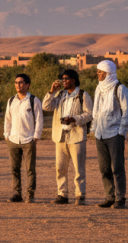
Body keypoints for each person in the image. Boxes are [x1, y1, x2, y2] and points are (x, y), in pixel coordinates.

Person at [42, 69, 93, 205]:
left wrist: (74, 119)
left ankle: (80, 195)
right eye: (62, 79)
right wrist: (51, 91)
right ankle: (62, 194)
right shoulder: (59, 95)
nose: (63, 81)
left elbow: (89, 114)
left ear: (73, 80)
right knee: (60, 167)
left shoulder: (83, 95)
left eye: (66, 79)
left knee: (79, 169)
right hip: (60, 136)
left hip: (76, 136)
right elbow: (46, 106)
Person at [92, 60, 128, 209]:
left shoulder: (120, 88)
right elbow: (96, 111)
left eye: (100, 72)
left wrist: (122, 132)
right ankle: (109, 197)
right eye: (98, 71)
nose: (97, 74)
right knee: (104, 168)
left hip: (115, 133)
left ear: (108, 73)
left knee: (117, 168)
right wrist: (95, 129)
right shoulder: (99, 88)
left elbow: (127, 111)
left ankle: (120, 199)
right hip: (100, 134)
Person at [4, 73, 43, 203]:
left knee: (30, 169)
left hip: (28, 140)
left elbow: (39, 119)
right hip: (13, 139)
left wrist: (36, 137)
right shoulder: (11, 100)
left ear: (27, 85)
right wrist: (7, 135)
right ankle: (17, 194)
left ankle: (30, 194)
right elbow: (7, 119)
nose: (18, 85)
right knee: (14, 168)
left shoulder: (34, 100)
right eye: (16, 83)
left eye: (21, 83)